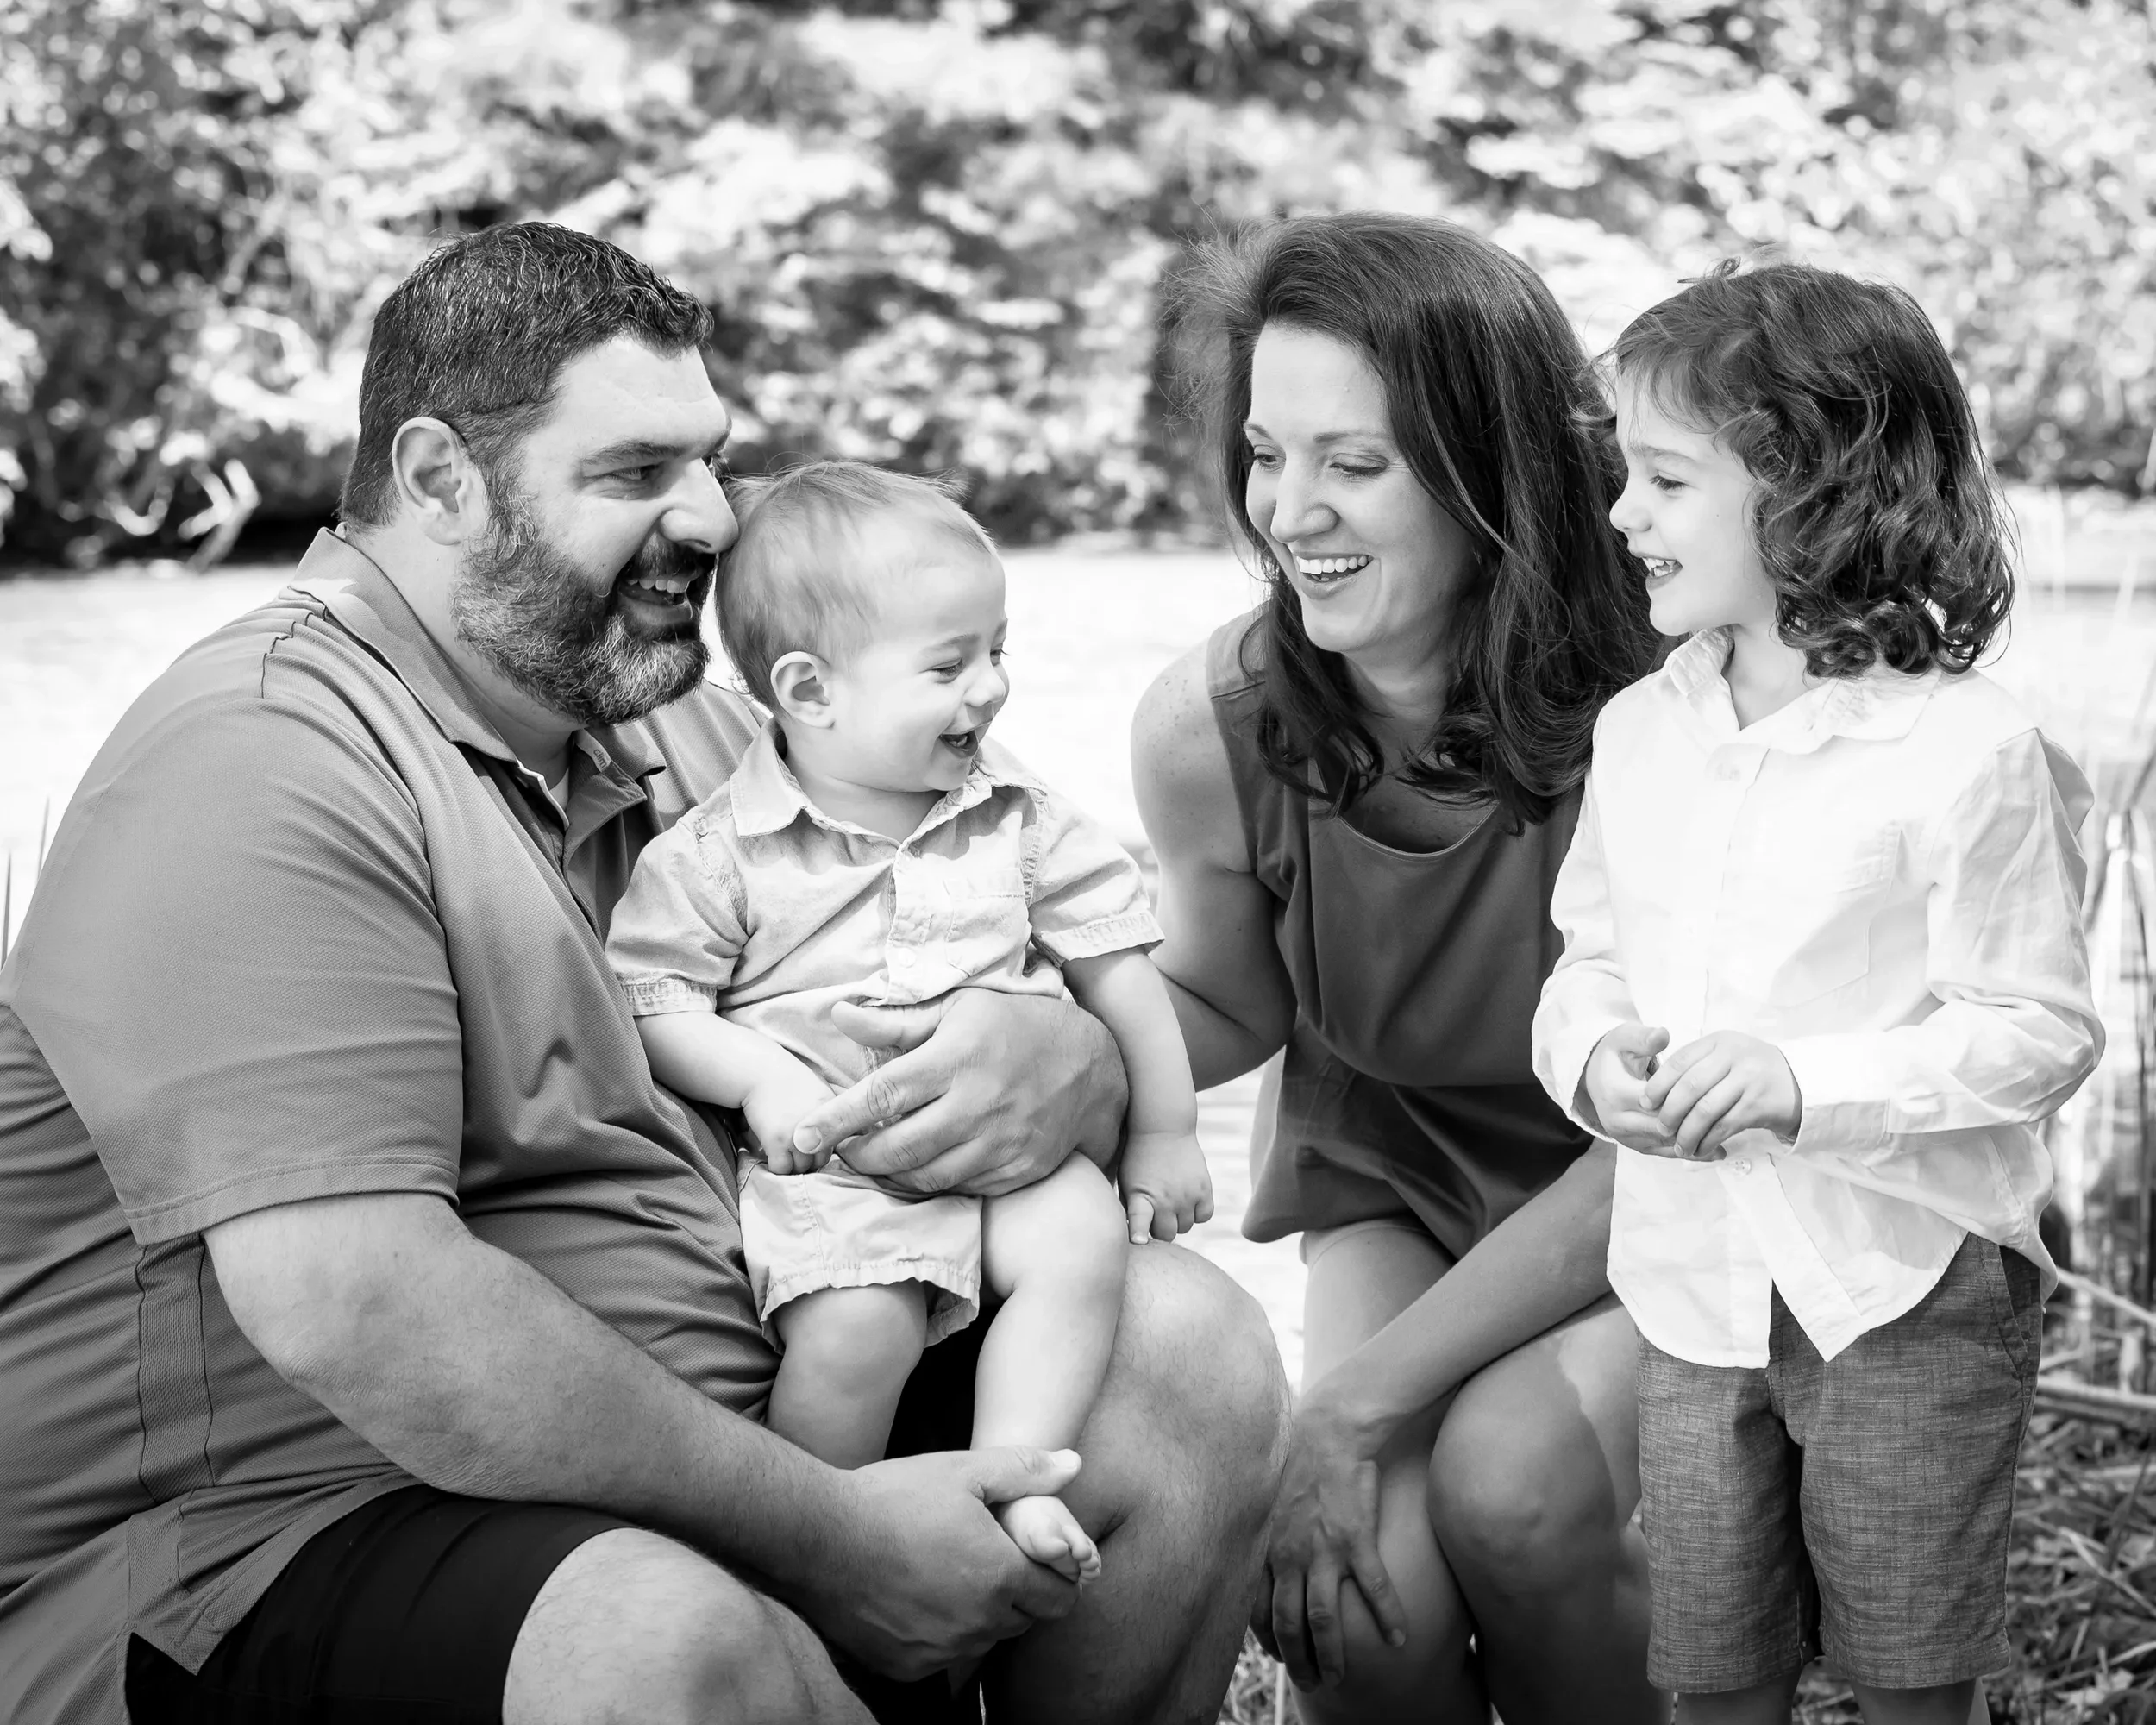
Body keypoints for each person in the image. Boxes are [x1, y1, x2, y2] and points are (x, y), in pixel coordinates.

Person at [0, 222, 1286, 1725]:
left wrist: (1057, 1060)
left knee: (1186, 1351)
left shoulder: (704, 736)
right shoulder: (262, 764)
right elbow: (360, 1307)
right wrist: (836, 1539)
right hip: (269, 1534)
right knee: (660, 1638)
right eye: (634, 476)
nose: (714, 520)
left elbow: (1042, 940)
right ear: (435, 481)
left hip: (756, 1400)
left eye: (711, 461)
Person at [1532, 260, 2102, 1724]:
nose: (1621, 518)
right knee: (1712, 1680)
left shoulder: (1962, 750)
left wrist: (1806, 1085)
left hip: (1901, 1287)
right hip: (1694, 1289)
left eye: (1663, 479)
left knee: (1913, 1681)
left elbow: (2035, 1028)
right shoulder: (1639, 733)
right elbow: (1585, 961)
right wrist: (1595, 1060)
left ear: (1811, 487)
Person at [1133, 210, 1665, 1722]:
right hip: (1398, 1170)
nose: (1287, 510)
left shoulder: (1664, 717)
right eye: (1264, 452)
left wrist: (1350, 1405)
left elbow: (1659, 1146)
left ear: (1493, 470)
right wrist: (1062, 1044)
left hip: (1644, 1191)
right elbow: (1229, 998)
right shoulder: (1214, 721)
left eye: (1351, 462)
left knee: (1516, 1497)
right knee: (1360, 1595)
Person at [605, 460, 1213, 1584]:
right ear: (809, 691)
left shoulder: (1015, 817)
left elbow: (1124, 976)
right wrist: (757, 1079)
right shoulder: (719, 850)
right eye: (948, 667)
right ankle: (810, 1555)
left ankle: (1018, 1478)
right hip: (842, 1171)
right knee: (855, 1333)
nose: (988, 691)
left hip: (1011, 1157)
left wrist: (1168, 1132)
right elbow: (654, 1002)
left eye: (996, 653)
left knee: (1080, 1251)